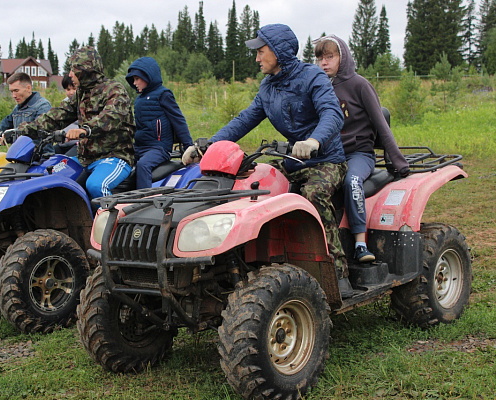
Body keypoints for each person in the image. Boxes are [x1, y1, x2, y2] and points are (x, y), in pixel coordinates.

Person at [182, 24, 353, 297]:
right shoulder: (268, 87)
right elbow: (244, 120)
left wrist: (314, 141)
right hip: (291, 161)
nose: (257, 58)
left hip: (326, 160)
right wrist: (206, 145)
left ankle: (338, 270)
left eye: (261, 52)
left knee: (314, 193)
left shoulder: (312, 77)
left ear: (278, 52)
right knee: (251, 187)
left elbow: (332, 113)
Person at [313, 35, 410, 263]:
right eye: (320, 58)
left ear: (342, 57)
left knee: (352, 182)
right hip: (330, 155)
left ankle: (360, 243)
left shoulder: (359, 85)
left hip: (359, 154)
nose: (324, 63)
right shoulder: (318, 87)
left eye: (330, 57)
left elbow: (380, 124)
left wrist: (397, 160)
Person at [17, 46, 135, 199]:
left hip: (115, 156)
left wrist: (85, 129)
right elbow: (58, 114)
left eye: (74, 70)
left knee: (96, 185)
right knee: (48, 176)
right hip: (85, 158)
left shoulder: (114, 90)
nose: (70, 75)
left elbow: (111, 117)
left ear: (86, 71)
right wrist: (24, 129)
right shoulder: (81, 93)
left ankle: (109, 221)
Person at [125, 57, 193, 189]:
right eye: (133, 80)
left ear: (148, 76)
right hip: (139, 147)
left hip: (159, 148)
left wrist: (188, 146)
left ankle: (144, 201)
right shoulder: (139, 99)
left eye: (137, 79)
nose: (135, 83)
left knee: (143, 165)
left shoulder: (163, 94)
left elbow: (178, 120)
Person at [0, 72, 51, 138]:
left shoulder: (43, 106)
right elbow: (2, 127)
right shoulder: (17, 108)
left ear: (28, 88)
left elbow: (39, 129)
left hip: (40, 155)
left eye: (16, 90)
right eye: (12, 92)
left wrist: (12, 133)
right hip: (18, 154)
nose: (14, 96)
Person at [54, 75, 79, 156]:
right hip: (63, 143)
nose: (71, 92)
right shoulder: (64, 103)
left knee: (65, 162)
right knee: (47, 156)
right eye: (68, 89)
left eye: (74, 89)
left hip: (77, 143)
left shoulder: (84, 104)